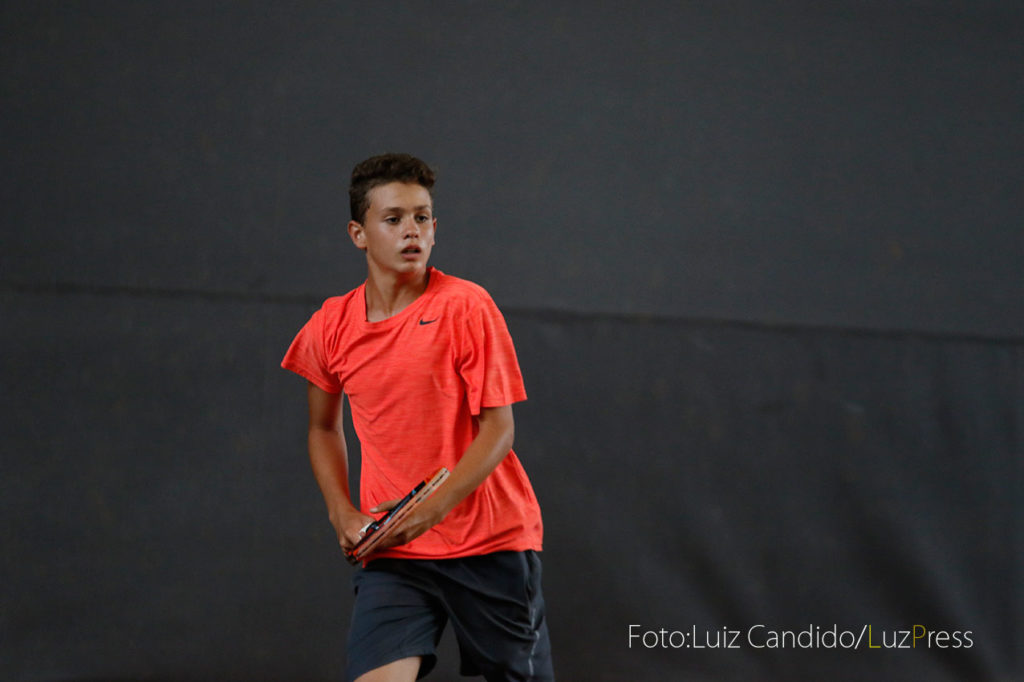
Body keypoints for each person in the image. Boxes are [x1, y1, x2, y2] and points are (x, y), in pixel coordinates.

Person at [281, 153, 553, 681]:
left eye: (422, 217)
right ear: (359, 235)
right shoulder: (330, 325)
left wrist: (431, 510)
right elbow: (322, 427)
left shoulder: (467, 307)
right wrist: (341, 512)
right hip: (395, 555)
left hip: (489, 545)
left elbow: (499, 429)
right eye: (394, 218)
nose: (412, 231)